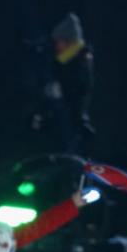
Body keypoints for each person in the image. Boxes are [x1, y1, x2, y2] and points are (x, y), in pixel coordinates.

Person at [47, 13, 95, 154]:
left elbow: (81, 90)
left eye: (59, 41)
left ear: (68, 41)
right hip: (63, 119)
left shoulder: (80, 61)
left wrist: (60, 93)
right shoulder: (63, 61)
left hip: (72, 121)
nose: (56, 45)